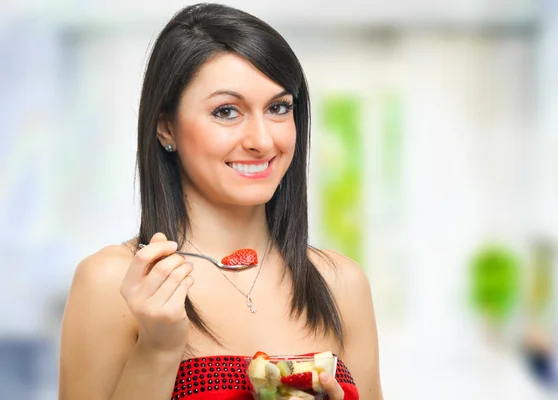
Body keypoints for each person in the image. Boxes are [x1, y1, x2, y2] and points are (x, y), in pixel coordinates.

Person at [58, 3, 383, 399]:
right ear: (165, 127)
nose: (263, 141)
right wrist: (158, 348)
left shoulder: (340, 283)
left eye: (279, 108)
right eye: (227, 111)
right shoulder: (113, 282)